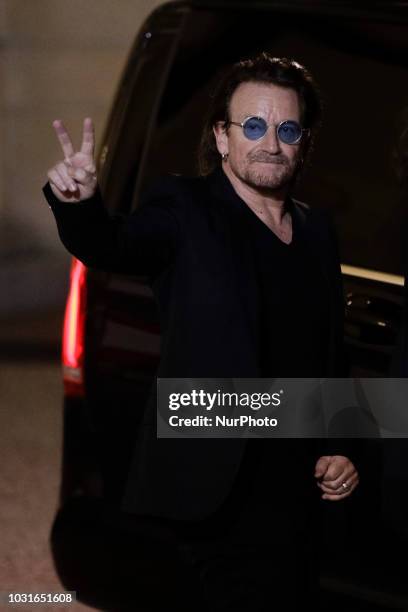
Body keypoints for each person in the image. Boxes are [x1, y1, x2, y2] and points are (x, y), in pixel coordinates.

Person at [43, 53, 359, 610]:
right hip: (213, 487)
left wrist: (339, 448)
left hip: (295, 492)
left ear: (304, 140)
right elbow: (111, 245)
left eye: (287, 130)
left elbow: (329, 352)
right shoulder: (184, 209)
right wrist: (80, 203)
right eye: (253, 126)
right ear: (221, 136)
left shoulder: (316, 231)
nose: (271, 144)